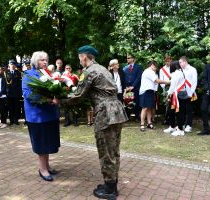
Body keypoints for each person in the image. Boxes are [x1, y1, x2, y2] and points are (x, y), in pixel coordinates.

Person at [63, 45, 128, 199]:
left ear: (84, 57)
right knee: (113, 150)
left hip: (105, 113)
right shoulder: (103, 69)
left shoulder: (89, 71)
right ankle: (110, 182)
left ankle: (110, 189)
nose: (79, 61)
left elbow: (78, 95)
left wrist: (57, 100)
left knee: (106, 150)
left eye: (80, 57)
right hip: (116, 111)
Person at [22, 51, 60, 182]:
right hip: (37, 116)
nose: (45, 62)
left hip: (50, 114)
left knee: (49, 142)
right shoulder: (28, 74)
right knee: (42, 143)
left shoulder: (48, 74)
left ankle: (47, 166)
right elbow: (28, 94)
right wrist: (49, 100)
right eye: (41, 60)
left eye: (46, 59)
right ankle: (42, 169)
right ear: (35, 61)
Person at [139, 61, 170, 131]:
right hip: (146, 91)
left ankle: (149, 123)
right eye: (155, 67)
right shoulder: (148, 71)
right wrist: (168, 82)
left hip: (150, 91)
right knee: (144, 108)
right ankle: (142, 124)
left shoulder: (152, 72)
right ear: (152, 65)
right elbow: (157, 81)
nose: (156, 69)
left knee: (149, 107)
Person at [164, 61, 188, 136]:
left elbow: (173, 85)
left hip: (178, 95)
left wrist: (168, 94)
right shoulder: (180, 72)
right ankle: (172, 126)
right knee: (172, 111)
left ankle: (180, 130)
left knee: (179, 112)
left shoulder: (176, 74)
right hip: (179, 94)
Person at [179, 56, 198, 133]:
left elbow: (194, 82)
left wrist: (191, 93)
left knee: (189, 109)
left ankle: (189, 125)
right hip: (181, 92)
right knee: (182, 109)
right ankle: (182, 124)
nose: (179, 64)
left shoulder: (192, 69)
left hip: (190, 92)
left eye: (180, 62)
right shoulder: (180, 70)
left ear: (185, 61)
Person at [123, 54, 142, 120]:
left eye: (129, 58)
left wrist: (133, 86)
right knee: (127, 101)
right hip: (128, 89)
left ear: (133, 59)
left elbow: (139, 77)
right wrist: (126, 87)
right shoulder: (125, 68)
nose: (127, 59)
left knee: (136, 102)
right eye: (127, 58)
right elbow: (123, 78)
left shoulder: (138, 67)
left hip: (136, 88)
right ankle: (127, 117)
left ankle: (137, 116)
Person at [200, 50, 210, 136]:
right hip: (208, 90)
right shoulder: (208, 66)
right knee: (203, 108)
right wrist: (207, 89)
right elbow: (204, 79)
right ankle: (206, 129)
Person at [6, 60, 22, 125]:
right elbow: (5, 84)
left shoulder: (18, 73)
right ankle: (11, 120)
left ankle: (16, 120)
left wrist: (20, 93)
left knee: (16, 107)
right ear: (9, 65)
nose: (12, 66)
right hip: (9, 93)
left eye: (13, 64)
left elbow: (20, 83)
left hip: (16, 93)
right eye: (11, 64)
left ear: (15, 65)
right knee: (10, 107)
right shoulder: (6, 73)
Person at [159, 56, 172, 125]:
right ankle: (167, 119)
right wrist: (164, 88)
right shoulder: (162, 69)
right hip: (166, 87)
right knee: (167, 104)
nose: (167, 62)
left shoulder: (174, 68)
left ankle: (172, 118)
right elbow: (161, 80)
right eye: (166, 61)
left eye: (169, 61)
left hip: (173, 86)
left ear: (171, 60)